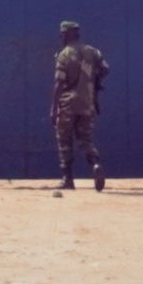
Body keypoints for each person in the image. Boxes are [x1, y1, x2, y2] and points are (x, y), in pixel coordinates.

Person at [53, 20, 109, 191]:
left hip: (68, 104)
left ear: (67, 34)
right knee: (85, 140)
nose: (61, 37)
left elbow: (59, 83)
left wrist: (53, 108)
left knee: (64, 141)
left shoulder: (64, 54)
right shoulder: (92, 52)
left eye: (63, 34)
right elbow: (105, 69)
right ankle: (95, 164)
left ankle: (67, 179)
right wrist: (94, 84)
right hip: (87, 103)